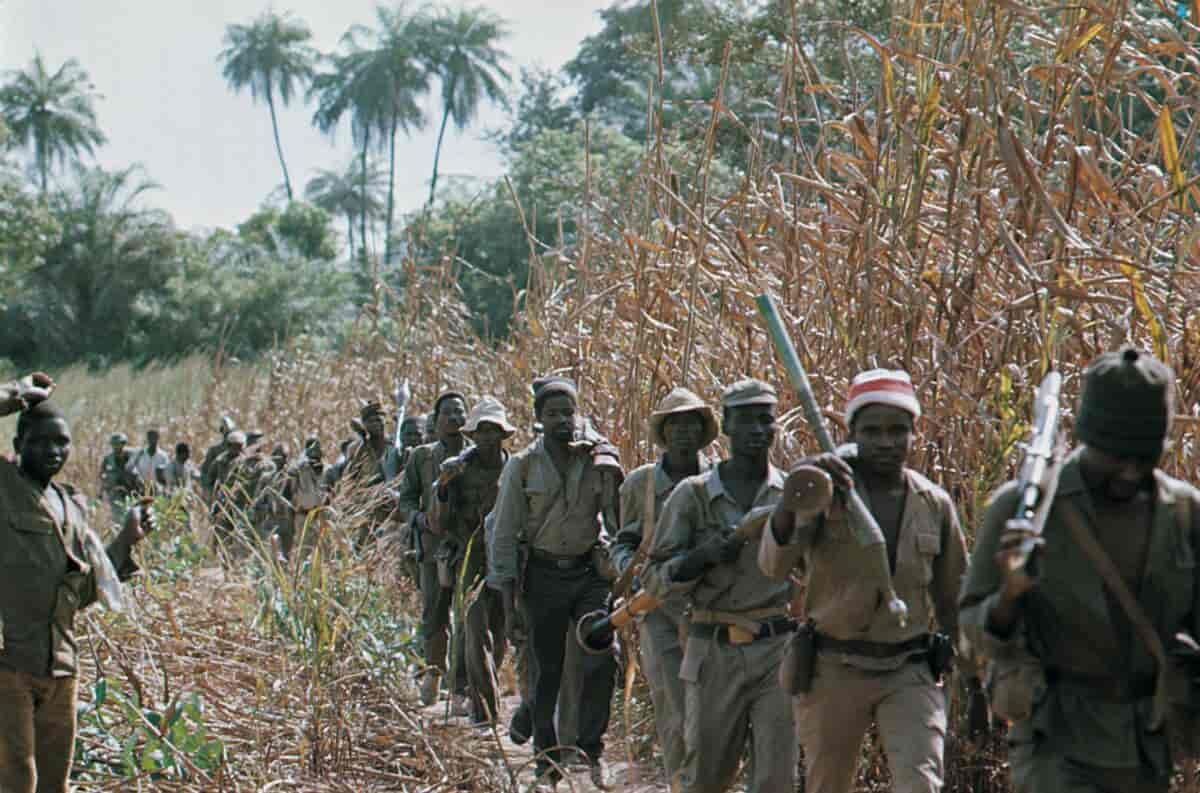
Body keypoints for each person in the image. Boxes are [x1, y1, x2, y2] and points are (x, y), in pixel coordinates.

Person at [960, 347, 1200, 793]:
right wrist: (1010, 594)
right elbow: (973, 628)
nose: (1129, 470)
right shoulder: (1025, 510)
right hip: (1057, 742)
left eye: (1143, 455)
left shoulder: (1184, 514)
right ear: (1088, 437)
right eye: (1114, 454)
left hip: (1147, 745)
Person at [760, 369, 967, 793]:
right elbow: (774, 565)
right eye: (872, 431)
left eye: (898, 430)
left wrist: (976, 680)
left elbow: (955, 600)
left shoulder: (934, 503)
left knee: (921, 783)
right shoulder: (823, 496)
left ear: (915, 433)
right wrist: (794, 493)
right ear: (852, 432)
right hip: (834, 669)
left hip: (910, 669)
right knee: (826, 783)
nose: (886, 442)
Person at [0, 373, 157, 793]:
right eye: (40, 441)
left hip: (60, 667)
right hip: (8, 664)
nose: (53, 451)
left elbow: (82, 591)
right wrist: (16, 394)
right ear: (17, 446)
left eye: (61, 442)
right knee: (17, 780)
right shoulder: (4, 487)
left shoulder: (71, 505)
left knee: (55, 784)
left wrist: (126, 538)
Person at [644, 378, 795, 793]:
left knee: (776, 779)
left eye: (766, 420)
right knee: (707, 775)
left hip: (776, 651)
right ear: (726, 425)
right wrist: (700, 558)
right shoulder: (691, 497)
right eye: (746, 420)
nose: (757, 431)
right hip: (713, 651)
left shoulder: (790, 496)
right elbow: (653, 579)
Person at [491, 377, 620, 788]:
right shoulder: (523, 466)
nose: (563, 420)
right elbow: (505, 531)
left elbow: (618, 520)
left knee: (602, 650)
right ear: (538, 420)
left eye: (569, 412)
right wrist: (509, 603)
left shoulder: (595, 457)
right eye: (553, 414)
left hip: (587, 574)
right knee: (547, 671)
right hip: (543, 576)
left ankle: (589, 749)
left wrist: (609, 460)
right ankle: (546, 761)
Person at [611, 387, 717, 790]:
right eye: (676, 424)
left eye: (693, 424)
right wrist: (630, 571)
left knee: (712, 713)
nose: (685, 432)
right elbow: (622, 542)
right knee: (673, 708)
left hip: (713, 610)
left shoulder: (719, 478)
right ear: (664, 432)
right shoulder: (640, 484)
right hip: (657, 610)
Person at [430, 396, 515, 726]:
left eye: (493, 431)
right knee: (475, 627)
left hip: (506, 559)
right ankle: (483, 707)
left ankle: (483, 694)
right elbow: (440, 522)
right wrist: (443, 488)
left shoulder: (514, 468)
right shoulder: (458, 470)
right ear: (473, 436)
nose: (487, 438)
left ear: (503, 434)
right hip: (470, 556)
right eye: (481, 431)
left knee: (501, 630)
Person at [398, 391, 471, 707]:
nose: (455, 419)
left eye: (460, 412)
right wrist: (418, 519)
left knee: (470, 618)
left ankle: (460, 687)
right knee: (434, 614)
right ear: (436, 420)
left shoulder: (478, 455)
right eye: (448, 413)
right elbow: (406, 498)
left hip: (468, 548)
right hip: (431, 547)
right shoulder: (422, 457)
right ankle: (434, 673)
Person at [98, 431, 134, 525]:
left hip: (132, 490)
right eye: (115, 444)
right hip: (115, 492)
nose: (117, 446)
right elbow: (102, 475)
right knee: (117, 518)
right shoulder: (108, 458)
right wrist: (101, 492)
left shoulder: (132, 455)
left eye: (120, 443)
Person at [199, 416, 236, 503]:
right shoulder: (214, 450)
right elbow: (205, 472)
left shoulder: (241, 449)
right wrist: (208, 490)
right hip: (219, 493)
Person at [126, 428, 170, 494]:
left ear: (158, 438)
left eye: (154, 438)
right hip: (141, 489)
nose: (152, 440)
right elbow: (129, 468)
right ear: (147, 439)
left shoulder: (163, 456)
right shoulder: (139, 453)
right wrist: (136, 477)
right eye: (150, 438)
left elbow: (167, 473)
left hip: (157, 490)